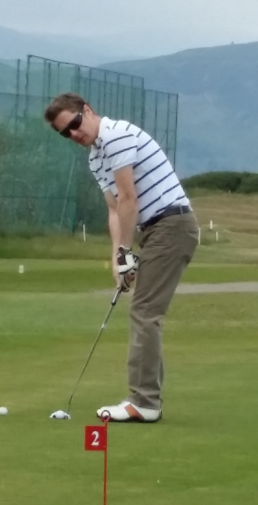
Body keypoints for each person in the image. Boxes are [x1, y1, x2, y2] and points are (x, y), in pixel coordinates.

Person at [45, 93, 198, 422]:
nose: (73, 133)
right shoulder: (95, 158)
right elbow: (115, 209)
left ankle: (144, 402)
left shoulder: (116, 136)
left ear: (87, 110)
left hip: (173, 224)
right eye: (65, 133)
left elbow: (130, 198)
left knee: (145, 311)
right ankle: (146, 399)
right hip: (154, 230)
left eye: (75, 123)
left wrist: (127, 251)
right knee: (144, 310)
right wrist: (119, 257)